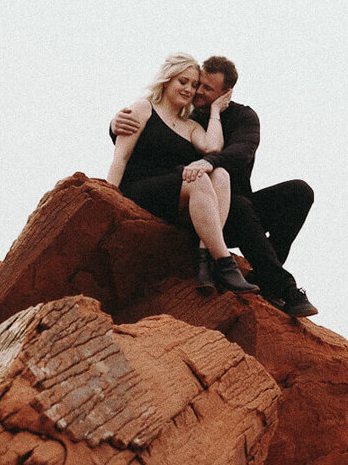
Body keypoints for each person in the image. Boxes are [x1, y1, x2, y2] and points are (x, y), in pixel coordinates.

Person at [112, 55, 318, 317]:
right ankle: (284, 287)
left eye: (205, 88)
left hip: (230, 207)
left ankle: (264, 274)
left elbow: (239, 153)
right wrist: (114, 125)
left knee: (299, 192)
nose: (196, 91)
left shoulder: (242, 117)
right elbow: (149, 142)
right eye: (196, 84)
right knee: (238, 204)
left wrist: (210, 159)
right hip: (196, 206)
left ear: (226, 93)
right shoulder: (188, 112)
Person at [106, 53, 260, 295]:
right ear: (167, 81)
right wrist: (108, 200)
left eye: (194, 84)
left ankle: (203, 258)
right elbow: (120, 157)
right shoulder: (143, 108)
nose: (189, 89)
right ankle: (223, 262)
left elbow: (213, 148)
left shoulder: (190, 126)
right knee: (199, 176)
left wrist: (216, 111)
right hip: (139, 188)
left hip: (173, 194)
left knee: (220, 174)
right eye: (183, 82)